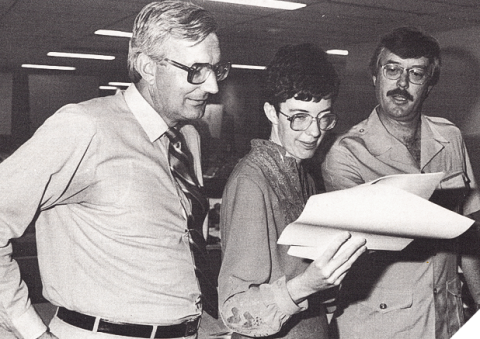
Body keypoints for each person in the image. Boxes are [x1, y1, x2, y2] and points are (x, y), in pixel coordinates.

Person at [0, 1, 231, 338]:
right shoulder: (84, 127)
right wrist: (30, 330)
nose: (211, 87)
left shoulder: (188, 138)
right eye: (196, 70)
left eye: (216, 69)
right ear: (147, 67)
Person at [321, 26, 480, 339]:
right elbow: (367, 246)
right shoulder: (347, 154)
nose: (402, 84)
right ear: (375, 76)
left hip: (445, 319)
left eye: (416, 73)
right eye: (391, 70)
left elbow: (470, 238)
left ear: (430, 83)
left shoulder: (449, 138)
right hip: (380, 326)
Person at [218, 43, 367, 339]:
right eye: (299, 117)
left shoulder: (303, 173)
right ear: (271, 113)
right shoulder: (252, 181)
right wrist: (308, 284)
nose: (314, 132)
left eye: (324, 117)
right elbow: (234, 311)